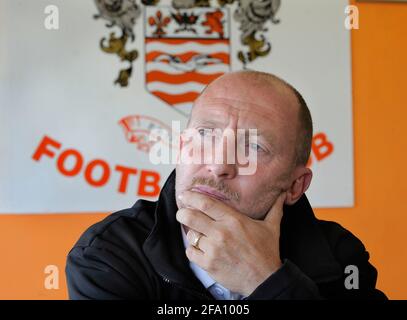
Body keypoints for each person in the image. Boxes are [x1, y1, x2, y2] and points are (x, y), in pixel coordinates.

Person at [66, 70, 386, 299]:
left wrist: (265, 280)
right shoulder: (109, 255)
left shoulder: (339, 256)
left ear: (295, 186)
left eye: (253, 147)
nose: (219, 165)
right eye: (205, 135)